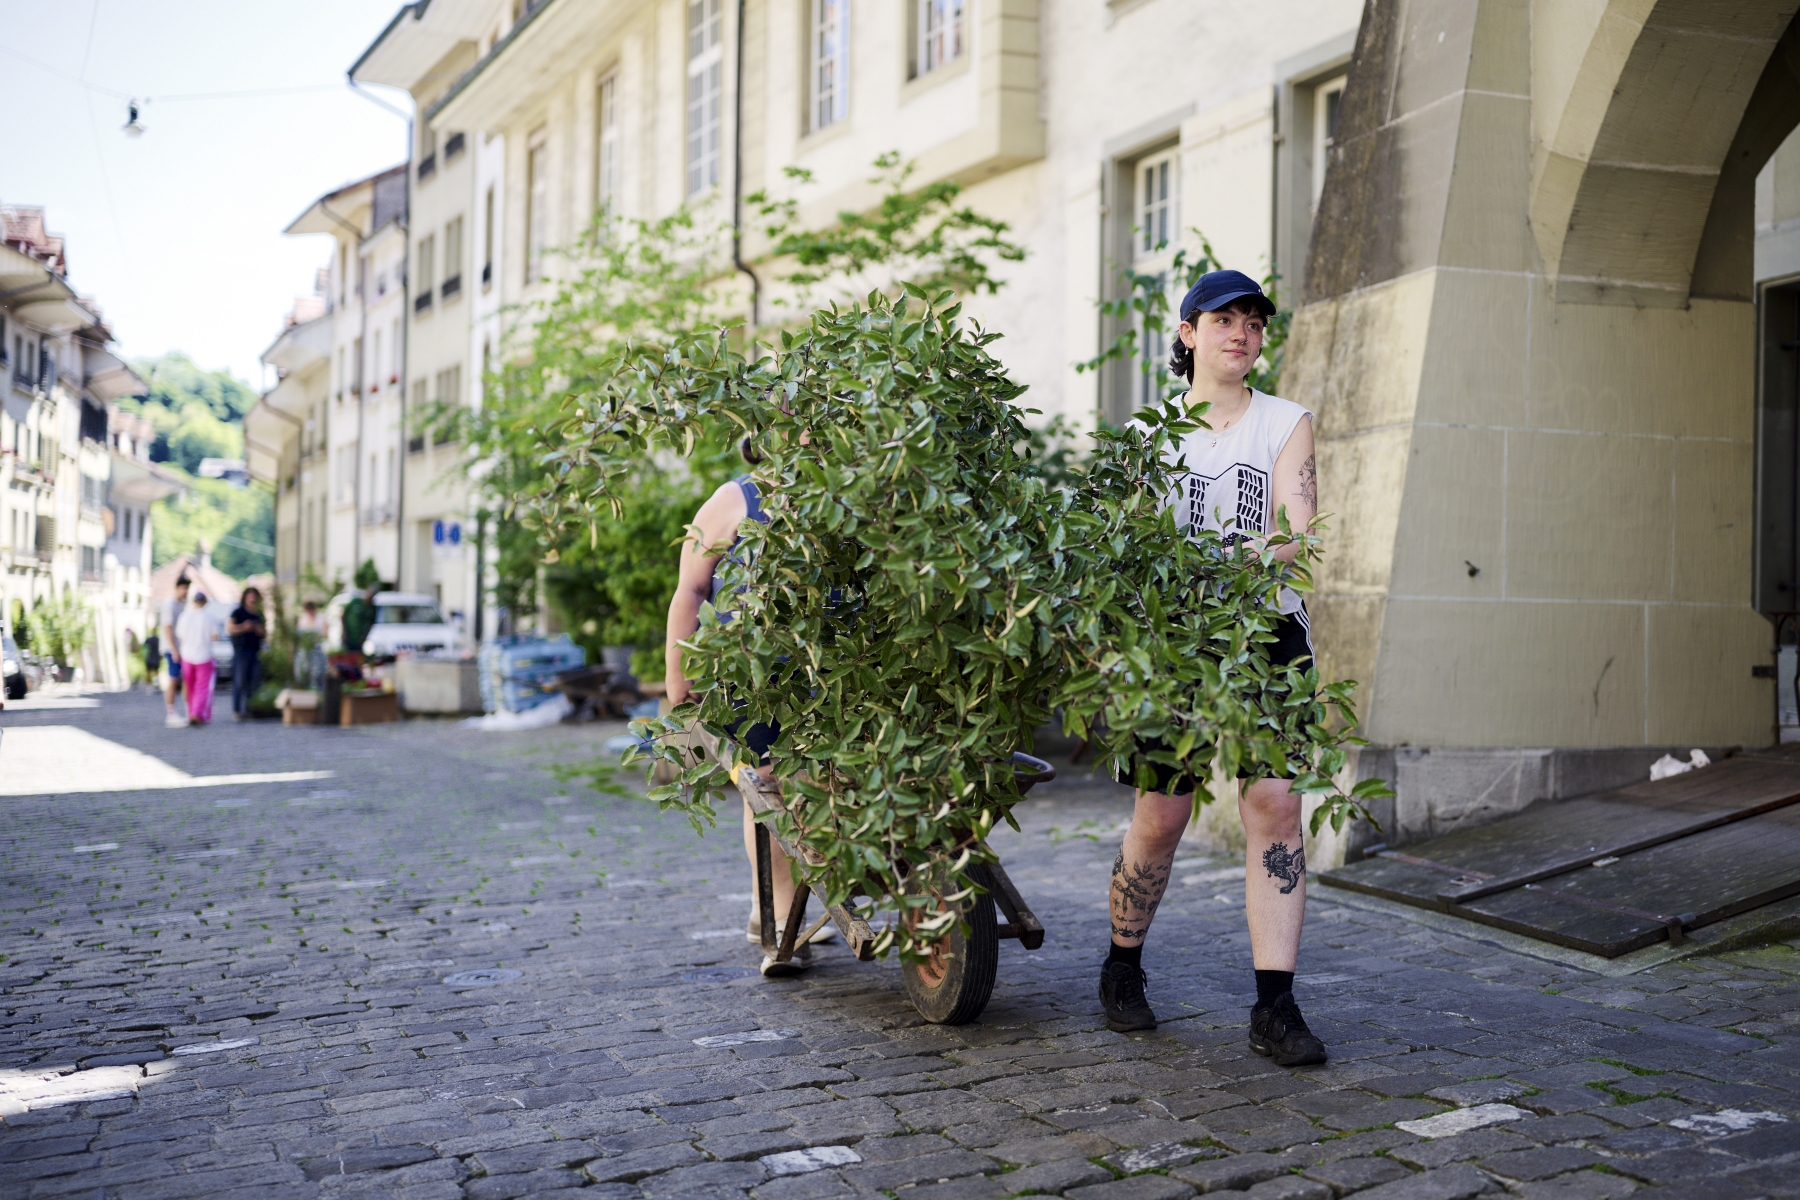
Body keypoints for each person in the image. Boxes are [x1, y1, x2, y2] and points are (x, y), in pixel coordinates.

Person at [1100, 269, 1327, 1067]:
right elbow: (1123, 549)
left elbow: (1300, 535)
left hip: (1268, 635)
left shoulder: (1286, 422)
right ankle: (1123, 967)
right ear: (1189, 333)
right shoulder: (1149, 436)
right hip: (1174, 643)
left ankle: (1275, 1004)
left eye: (1255, 322)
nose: (1242, 332)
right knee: (1162, 815)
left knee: (1275, 807)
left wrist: (1232, 569)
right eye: (1224, 319)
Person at [664, 443, 832, 978]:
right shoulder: (736, 500)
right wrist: (678, 671)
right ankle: (779, 915)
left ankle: (783, 903)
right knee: (768, 786)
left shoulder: (849, 498)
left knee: (819, 784)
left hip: (825, 676)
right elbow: (691, 590)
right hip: (750, 680)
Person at [174, 590, 220, 726]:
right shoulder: (210, 617)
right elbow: (215, 637)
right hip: (204, 655)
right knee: (203, 687)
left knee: (190, 686)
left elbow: (180, 636)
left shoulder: (184, 616)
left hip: (187, 655)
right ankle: (197, 713)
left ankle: (190, 712)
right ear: (205, 602)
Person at [228, 587, 267, 720]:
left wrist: (257, 629)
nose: (252, 598)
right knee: (239, 681)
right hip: (241, 650)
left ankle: (250, 709)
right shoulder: (238, 612)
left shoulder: (259, 614)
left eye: (254, 595)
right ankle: (237, 710)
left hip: (255, 651)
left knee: (254, 682)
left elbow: (264, 633)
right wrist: (244, 627)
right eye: (250, 595)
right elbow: (230, 629)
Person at [160, 576, 190, 728]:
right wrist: (174, 650)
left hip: (180, 648)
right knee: (173, 679)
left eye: (187, 589)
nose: (186, 592)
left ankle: (187, 710)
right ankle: (170, 713)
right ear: (177, 588)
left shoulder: (181, 605)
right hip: (172, 648)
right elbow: (167, 628)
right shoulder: (170, 604)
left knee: (184, 679)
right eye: (184, 588)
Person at [341, 584, 377, 657]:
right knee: (347, 657)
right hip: (348, 636)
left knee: (357, 657)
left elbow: (371, 623)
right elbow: (343, 615)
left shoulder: (371, 607)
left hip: (359, 638)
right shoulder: (355, 601)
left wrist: (364, 637)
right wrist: (344, 632)